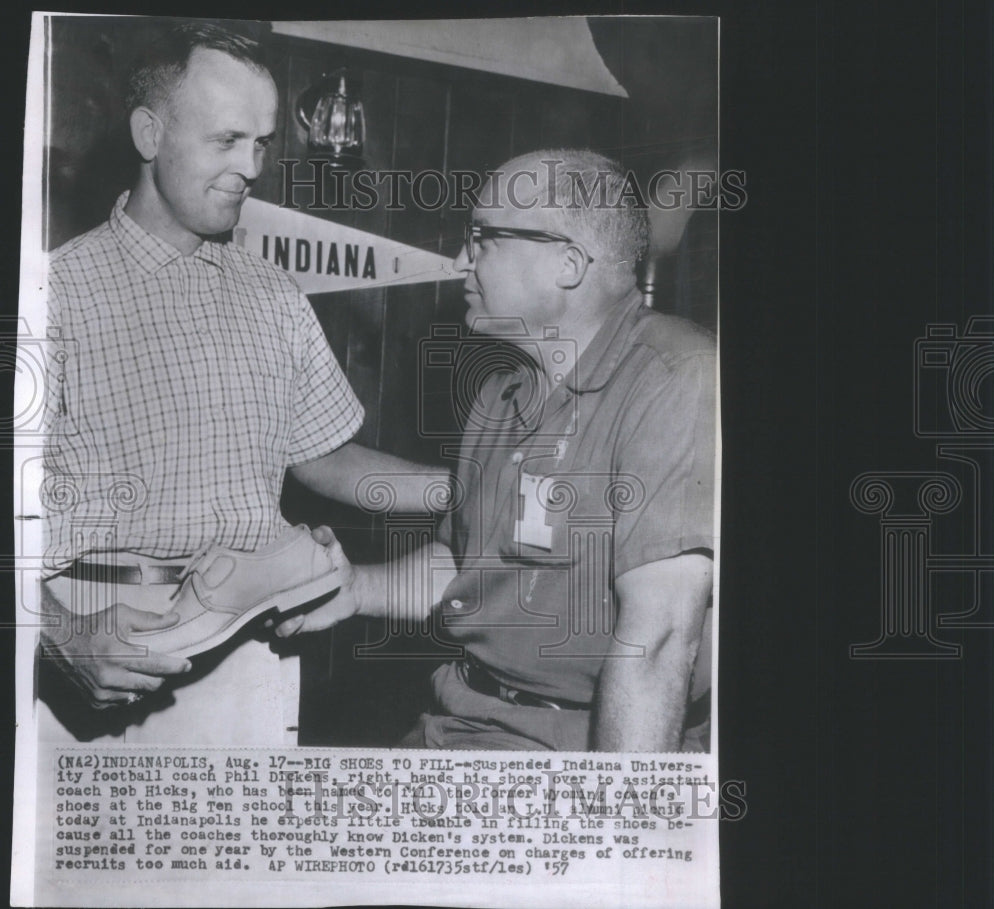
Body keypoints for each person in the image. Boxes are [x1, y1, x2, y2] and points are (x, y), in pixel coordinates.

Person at [38, 22, 442, 745]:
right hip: (97, 637)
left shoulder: (275, 295)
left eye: (260, 143)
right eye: (226, 140)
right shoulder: (51, 294)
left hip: (251, 648)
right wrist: (57, 635)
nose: (251, 166)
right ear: (148, 133)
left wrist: (474, 486)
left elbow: (322, 458)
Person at [277, 149, 716, 752]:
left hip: (576, 744)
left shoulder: (678, 376)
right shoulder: (499, 393)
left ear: (567, 263)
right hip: (460, 718)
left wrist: (621, 828)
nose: (462, 260)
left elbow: (660, 638)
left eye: (484, 237)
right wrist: (353, 588)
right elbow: (468, 571)